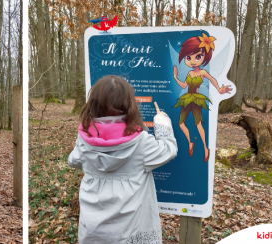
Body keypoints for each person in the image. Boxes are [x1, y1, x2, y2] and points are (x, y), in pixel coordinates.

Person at [68, 75, 178, 244]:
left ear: (94, 104)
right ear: (129, 104)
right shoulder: (141, 143)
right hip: (129, 232)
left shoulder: (85, 138)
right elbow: (168, 150)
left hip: (93, 231)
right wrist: (162, 122)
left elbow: (73, 161)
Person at [173, 33, 232, 162]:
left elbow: (213, 80)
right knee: (181, 123)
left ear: (204, 57)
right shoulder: (189, 72)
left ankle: (206, 148)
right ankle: (190, 142)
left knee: (198, 124)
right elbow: (184, 85)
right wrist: (175, 77)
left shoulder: (203, 72)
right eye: (189, 58)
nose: (193, 61)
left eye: (198, 57)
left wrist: (219, 90)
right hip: (187, 98)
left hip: (196, 99)